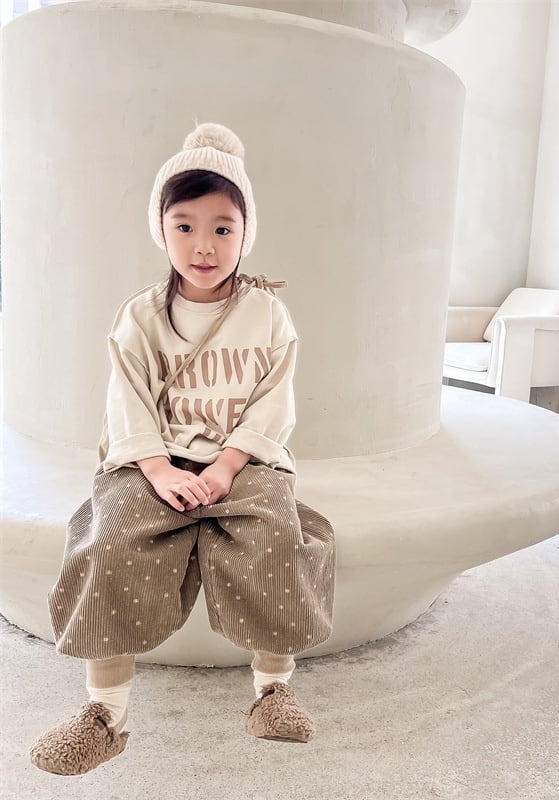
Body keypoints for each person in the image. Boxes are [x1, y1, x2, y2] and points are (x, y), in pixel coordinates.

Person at [29, 122, 336, 775]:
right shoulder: (140, 316)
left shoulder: (268, 315)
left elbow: (273, 403)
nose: (204, 245)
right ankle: (105, 716)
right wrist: (158, 468)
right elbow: (126, 401)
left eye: (223, 227)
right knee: (109, 541)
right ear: (161, 229)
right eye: (185, 225)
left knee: (275, 534)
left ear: (245, 234)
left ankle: (273, 692)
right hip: (151, 460)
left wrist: (226, 466)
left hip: (244, 458)